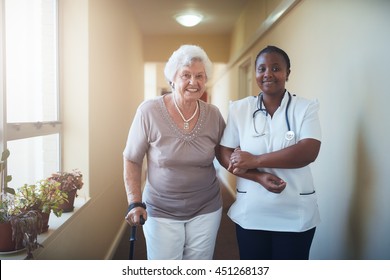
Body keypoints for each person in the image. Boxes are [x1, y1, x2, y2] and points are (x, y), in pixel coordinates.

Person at [123, 45, 226, 260]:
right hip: (161, 209)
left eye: (200, 76)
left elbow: (224, 153)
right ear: (173, 79)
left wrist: (253, 166)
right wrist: (134, 201)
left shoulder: (213, 114)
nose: (193, 82)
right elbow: (132, 158)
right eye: (186, 75)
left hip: (206, 207)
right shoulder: (149, 111)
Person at [219, 45, 321, 260]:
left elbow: (308, 150)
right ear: (255, 73)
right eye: (261, 68)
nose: (268, 74)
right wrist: (257, 176)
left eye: (276, 68)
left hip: (295, 213)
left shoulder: (305, 108)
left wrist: (254, 159)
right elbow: (224, 152)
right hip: (252, 212)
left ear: (287, 73)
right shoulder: (240, 109)